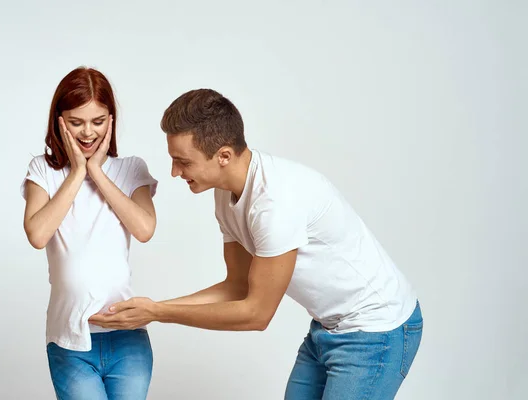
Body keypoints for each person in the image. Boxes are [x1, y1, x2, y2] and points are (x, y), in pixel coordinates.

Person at [89, 88, 423, 399]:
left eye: (184, 161)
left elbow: (257, 314)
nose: (174, 172)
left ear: (223, 155)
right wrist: (153, 307)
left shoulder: (274, 203)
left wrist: (158, 313)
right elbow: (237, 287)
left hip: (377, 331)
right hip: (328, 327)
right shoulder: (224, 193)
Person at [21, 66, 158, 400]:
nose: (87, 132)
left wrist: (96, 171)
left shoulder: (131, 169)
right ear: (59, 120)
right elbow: (38, 234)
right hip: (70, 340)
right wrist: (77, 172)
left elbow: (144, 228)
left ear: (111, 119)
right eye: (76, 122)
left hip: (127, 338)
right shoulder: (43, 171)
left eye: (98, 121)